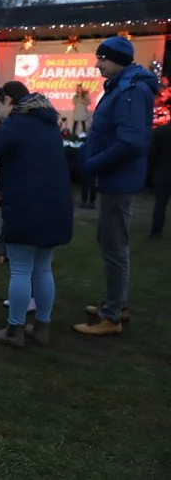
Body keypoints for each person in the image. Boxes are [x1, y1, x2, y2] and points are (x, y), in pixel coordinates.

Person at [0, 82, 73, 347]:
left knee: (20, 269)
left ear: (8, 100)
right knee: (42, 268)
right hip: (56, 204)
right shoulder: (47, 122)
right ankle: (42, 327)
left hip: (27, 205)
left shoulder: (17, 123)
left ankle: (14, 330)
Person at [74, 36, 158, 336]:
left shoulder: (130, 91)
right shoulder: (124, 87)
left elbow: (131, 142)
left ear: (118, 60)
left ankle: (112, 316)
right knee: (109, 242)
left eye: (102, 58)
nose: (97, 64)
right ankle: (115, 303)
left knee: (114, 246)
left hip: (118, 182)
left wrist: (94, 163)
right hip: (114, 179)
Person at [148, 124, 171, 238]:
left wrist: (151, 171)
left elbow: (152, 154)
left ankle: (156, 231)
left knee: (160, 204)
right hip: (162, 172)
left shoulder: (160, 132)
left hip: (163, 173)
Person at [77, 133, 96, 209]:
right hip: (92, 168)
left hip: (84, 168)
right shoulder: (95, 147)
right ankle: (92, 203)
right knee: (92, 186)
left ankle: (84, 202)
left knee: (84, 186)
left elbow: (78, 158)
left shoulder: (82, 147)